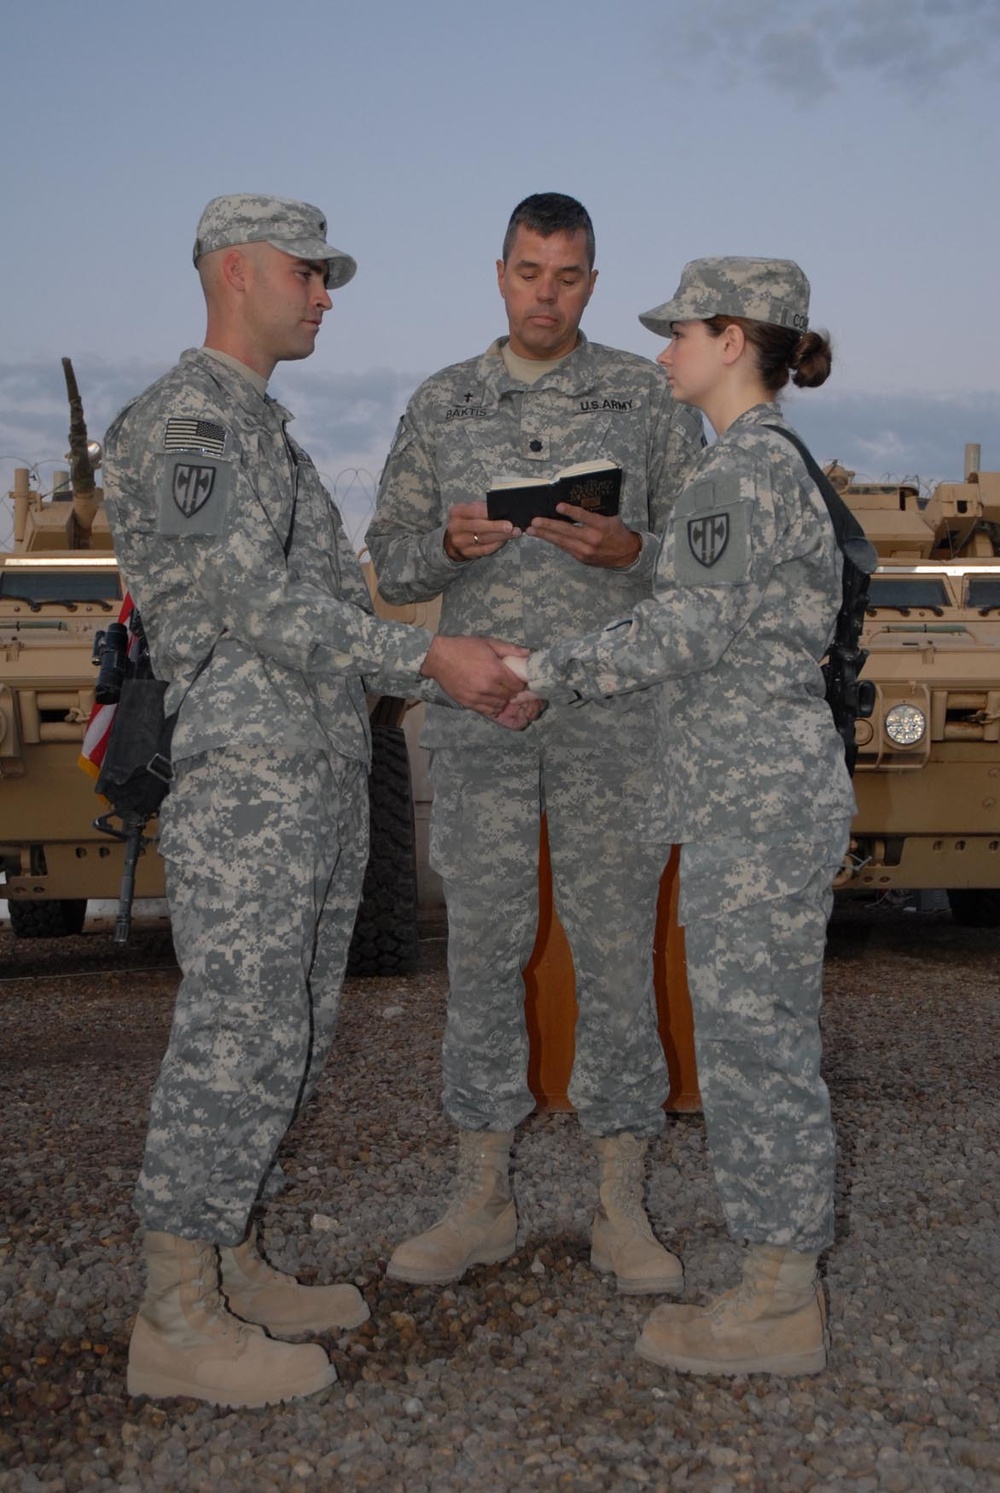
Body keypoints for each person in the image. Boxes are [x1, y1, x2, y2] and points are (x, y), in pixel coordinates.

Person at [102, 194, 534, 1408]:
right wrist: (427, 658)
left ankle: (230, 1255)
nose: (326, 293)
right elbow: (251, 604)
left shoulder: (265, 432)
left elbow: (321, 599)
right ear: (237, 270)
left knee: (293, 1028)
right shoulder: (192, 423)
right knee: (236, 1029)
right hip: (248, 771)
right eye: (308, 271)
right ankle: (175, 1310)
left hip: (314, 764)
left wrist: (431, 638)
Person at [503, 256, 857, 1376]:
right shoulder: (758, 468)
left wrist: (541, 668)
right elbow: (720, 607)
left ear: (733, 339)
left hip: (752, 796)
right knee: (761, 1034)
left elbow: (679, 634)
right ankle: (772, 1278)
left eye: (680, 332)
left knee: (755, 1045)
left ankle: (776, 1299)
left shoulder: (736, 471)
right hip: (762, 785)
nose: (662, 351)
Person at [366, 193, 704, 1292]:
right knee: (483, 953)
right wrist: (444, 539)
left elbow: (707, 557)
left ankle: (620, 1201)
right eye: (527, 271)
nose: (544, 294)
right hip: (480, 718)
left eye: (566, 275)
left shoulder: (645, 399)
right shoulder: (442, 401)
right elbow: (394, 561)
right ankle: (482, 1194)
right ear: (498, 273)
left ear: (593, 283)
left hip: (611, 722)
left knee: (615, 953)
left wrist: (631, 546)